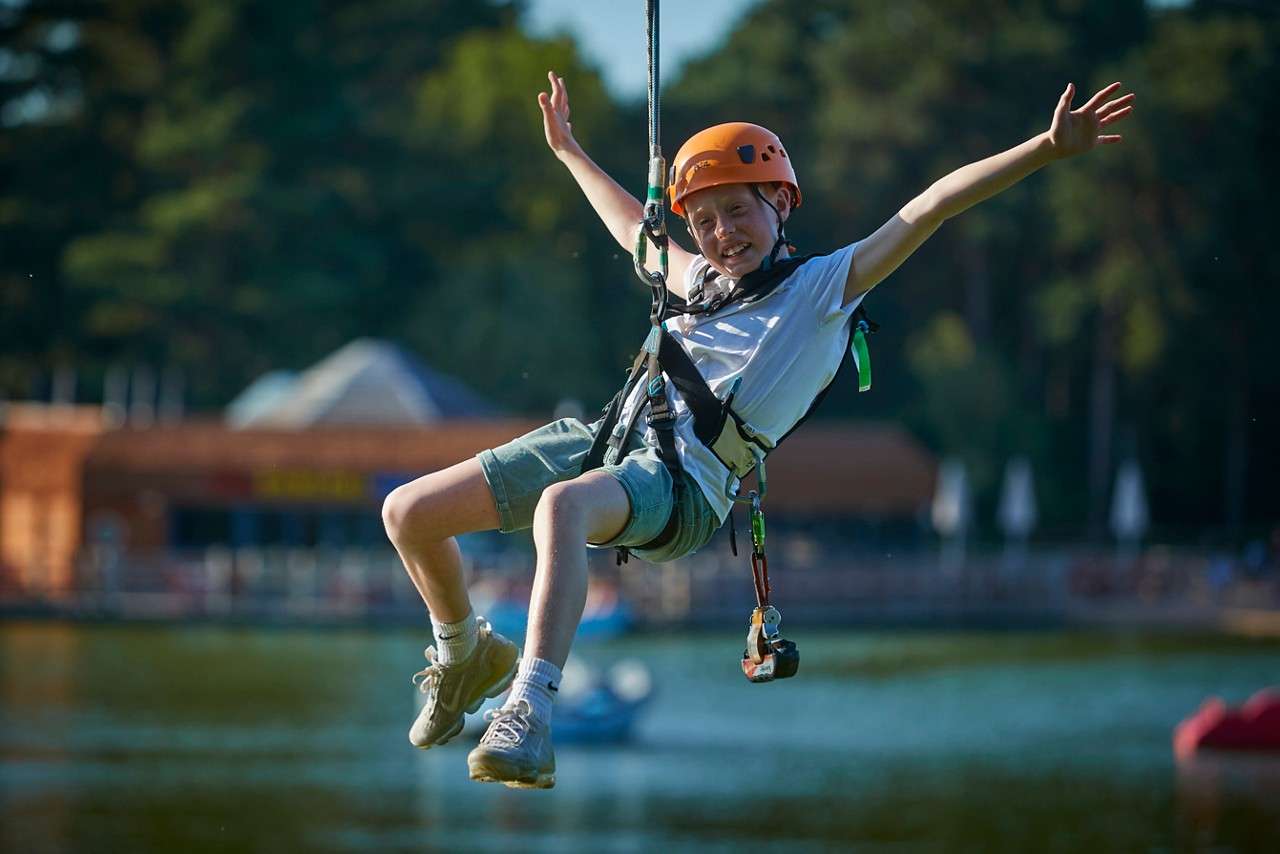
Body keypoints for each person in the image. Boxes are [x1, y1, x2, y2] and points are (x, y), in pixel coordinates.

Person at [381, 70, 1135, 789]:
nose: (720, 233)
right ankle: (465, 656)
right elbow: (625, 226)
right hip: (607, 441)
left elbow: (931, 204)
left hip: (682, 488)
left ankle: (530, 708)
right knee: (408, 514)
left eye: (737, 211)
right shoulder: (699, 281)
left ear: (781, 200)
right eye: (704, 221)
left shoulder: (821, 290)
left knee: (561, 507)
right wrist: (569, 151)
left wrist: (1044, 148)